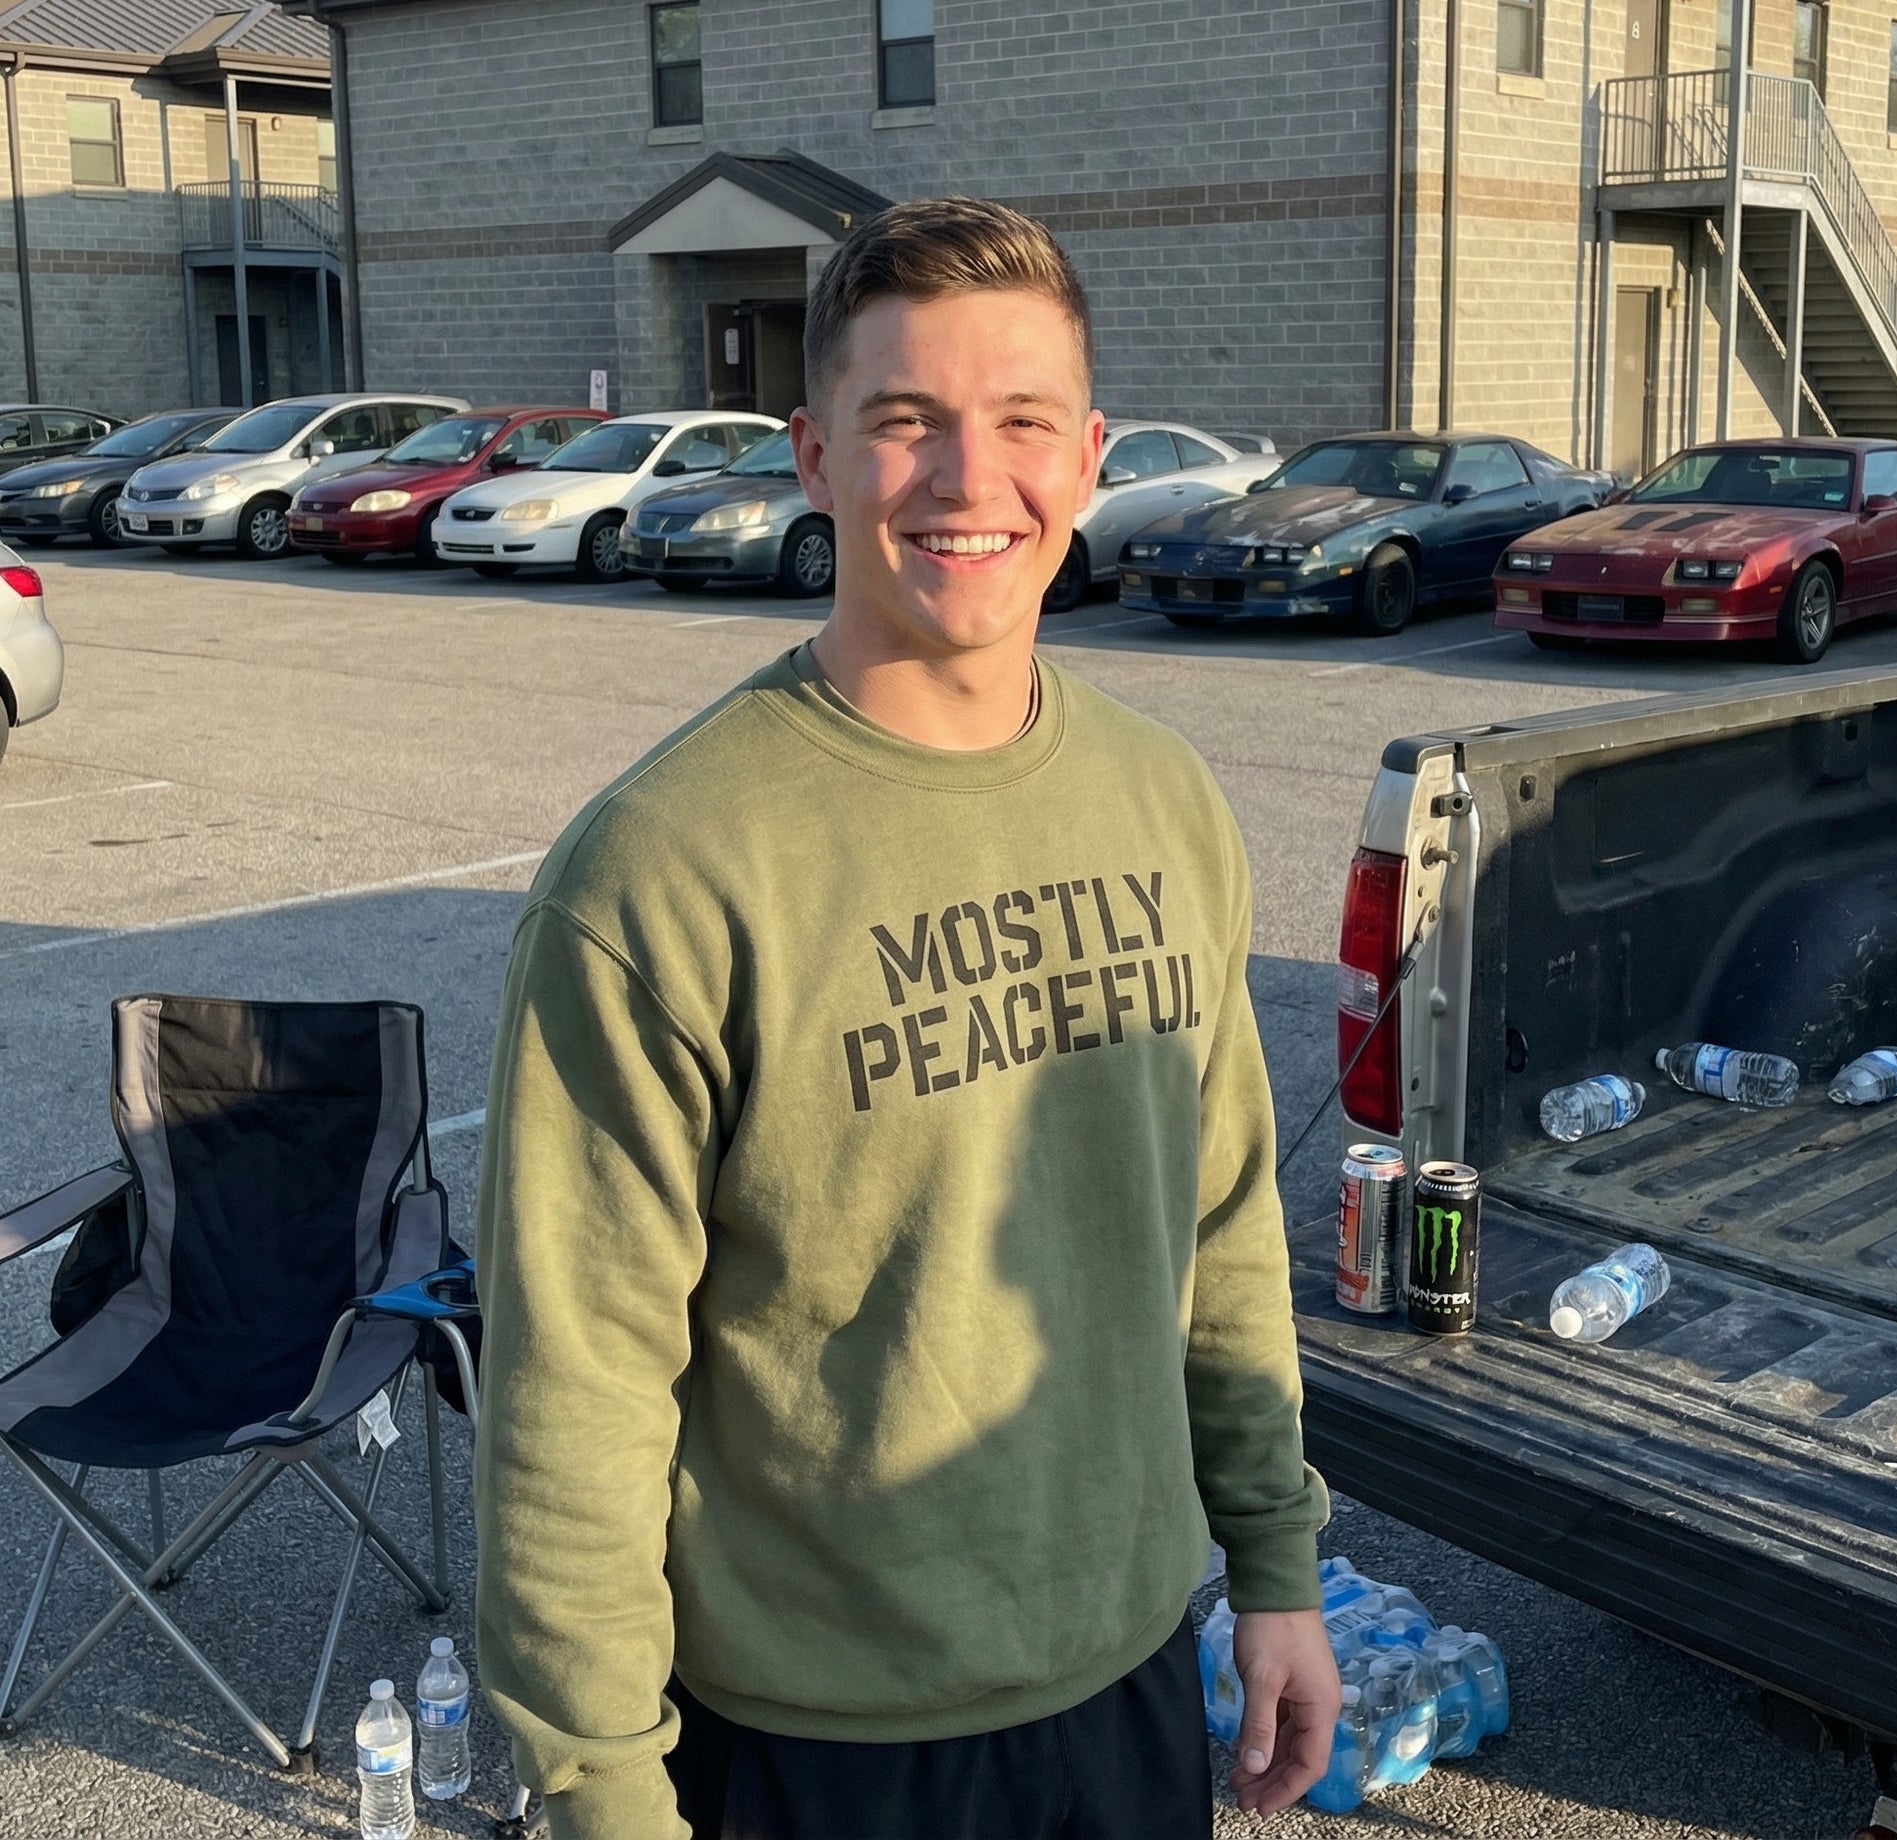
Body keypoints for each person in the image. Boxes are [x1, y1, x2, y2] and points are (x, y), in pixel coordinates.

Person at [474, 196, 1339, 1840]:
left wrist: (1273, 1565)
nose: (967, 481)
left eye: (1020, 423)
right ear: (812, 454)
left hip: (1131, 1678)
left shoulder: (1167, 802)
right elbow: (576, 1391)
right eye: (905, 423)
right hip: (820, 1744)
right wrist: (599, 1791)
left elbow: (1222, 1232)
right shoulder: (661, 871)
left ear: (1088, 460)